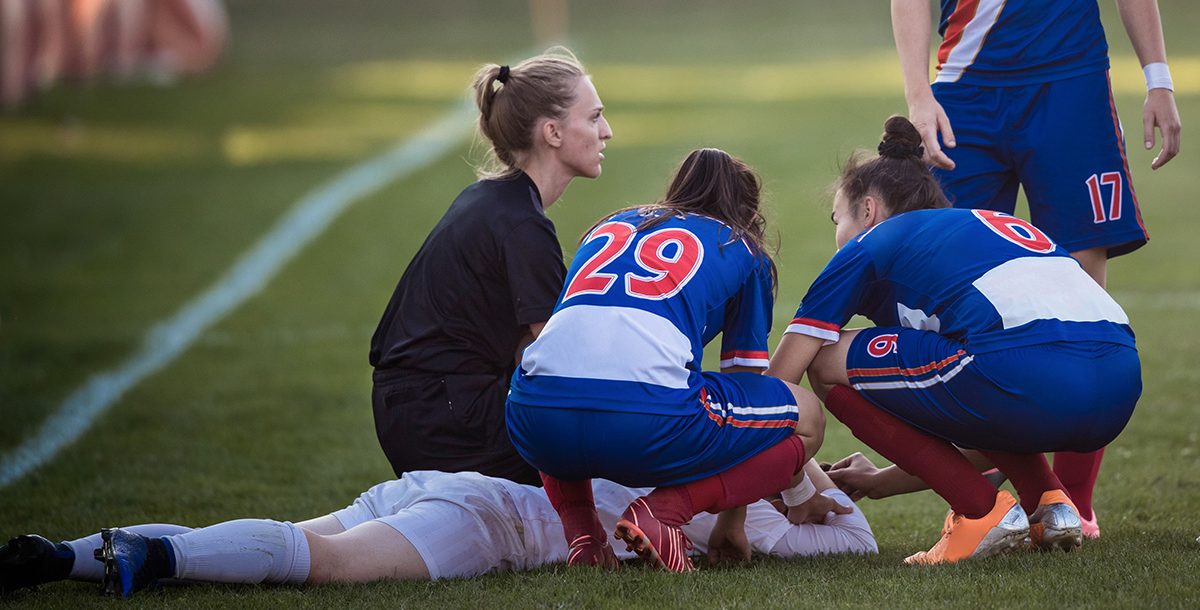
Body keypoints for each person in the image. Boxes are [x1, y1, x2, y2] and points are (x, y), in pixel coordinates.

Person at [766, 117, 1141, 565]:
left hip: (1025, 378)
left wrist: (787, 483)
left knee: (826, 359)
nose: (838, 235)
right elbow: (976, 418)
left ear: (867, 211)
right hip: (1119, 380)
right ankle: (1050, 503)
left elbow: (779, 384)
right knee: (968, 372)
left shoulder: (870, 244)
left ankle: (979, 513)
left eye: (838, 219)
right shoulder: (989, 223)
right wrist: (883, 480)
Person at [891, 0, 1180, 538]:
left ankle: (1074, 503)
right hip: (964, 88)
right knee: (947, 300)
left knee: (1084, 301)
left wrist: (1158, 77)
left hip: (1071, 83)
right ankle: (999, 503)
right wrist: (917, 93)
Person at [505, 148, 837, 573]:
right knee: (806, 415)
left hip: (533, 421)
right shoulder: (739, 245)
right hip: (645, 424)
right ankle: (664, 513)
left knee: (563, 380)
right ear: (747, 208)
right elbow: (747, 380)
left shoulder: (609, 226)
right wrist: (736, 518)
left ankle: (584, 537)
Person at [0, 464, 877, 598]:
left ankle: (72, 552)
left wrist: (801, 473)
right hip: (480, 520)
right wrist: (822, 489)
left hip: (445, 483)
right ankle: (162, 556)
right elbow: (859, 546)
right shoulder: (759, 512)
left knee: (280, 531)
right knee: (326, 564)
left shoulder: (688, 436)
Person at [369, 47, 612, 486]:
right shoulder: (522, 224)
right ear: (553, 132)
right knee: (620, 462)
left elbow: (526, 346)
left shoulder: (494, 200)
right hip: (444, 418)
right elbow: (563, 360)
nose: (606, 132)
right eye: (594, 117)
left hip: (419, 408)